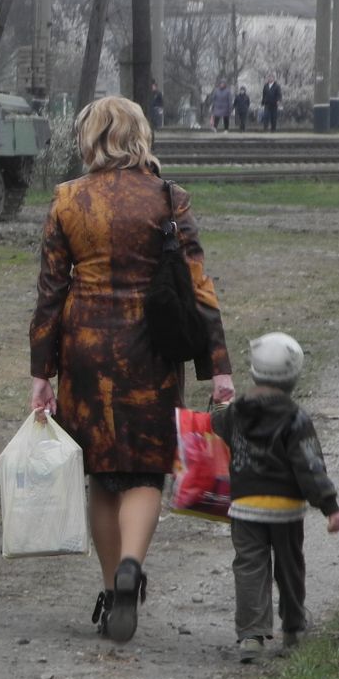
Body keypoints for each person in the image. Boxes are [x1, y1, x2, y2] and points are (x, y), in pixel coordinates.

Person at [29, 96, 234, 644]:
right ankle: (131, 568)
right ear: (139, 135)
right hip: (153, 349)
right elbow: (197, 288)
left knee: (101, 473)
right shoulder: (169, 198)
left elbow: (50, 293)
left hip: (86, 349)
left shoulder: (68, 200)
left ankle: (108, 582)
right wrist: (219, 367)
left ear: (90, 138)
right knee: (145, 471)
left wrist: (40, 373)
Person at [192, 333, 339, 662]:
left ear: (255, 372)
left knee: (249, 567)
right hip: (285, 511)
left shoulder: (237, 413)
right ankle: (293, 627)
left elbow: (215, 423)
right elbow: (310, 465)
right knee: (289, 568)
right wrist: (329, 505)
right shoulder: (295, 418)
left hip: (245, 508)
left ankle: (251, 635)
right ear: (294, 378)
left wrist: (218, 403)